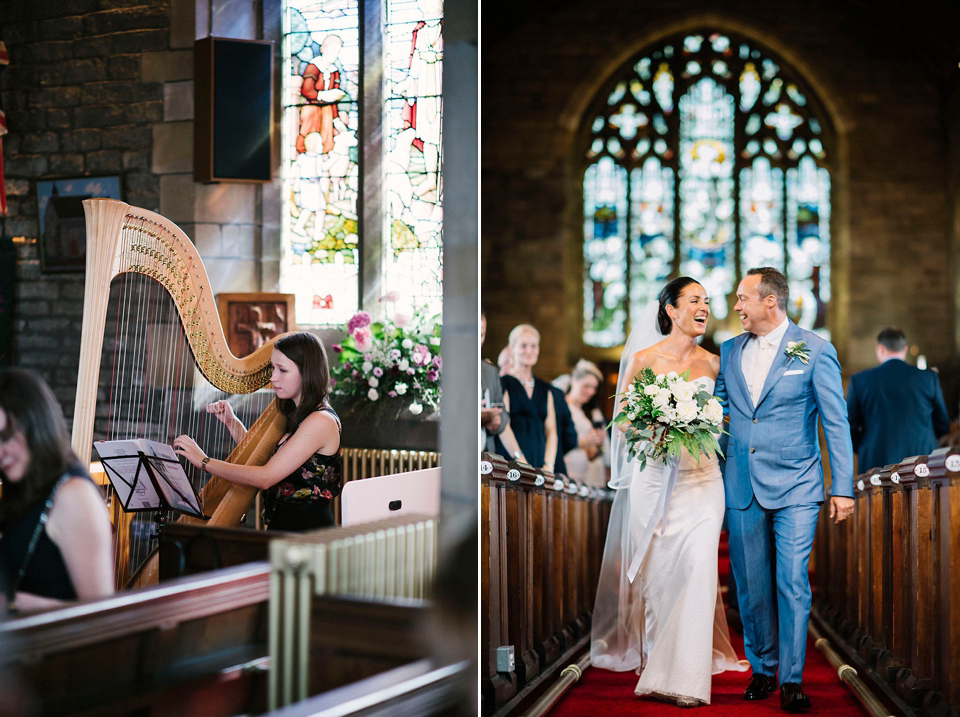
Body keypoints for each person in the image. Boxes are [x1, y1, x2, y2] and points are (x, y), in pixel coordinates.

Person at [591, 277, 747, 707]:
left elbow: (732, 416)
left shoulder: (715, 364)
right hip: (656, 479)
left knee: (698, 568)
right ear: (671, 310)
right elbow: (622, 419)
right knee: (659, 578)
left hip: (702, 481)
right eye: (694, 301)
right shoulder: (644, 359)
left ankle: (688, 681)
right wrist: (657, 427)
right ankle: (657, 662)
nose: (704, 308)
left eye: (707, 302)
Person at [716, 267, 854, 711]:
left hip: (797, 484)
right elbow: (717, 415)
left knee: (792, 580)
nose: (736, 306)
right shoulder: (729, 350)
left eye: (742, 298)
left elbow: (835, 422)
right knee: (750, 585)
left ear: (769, 301)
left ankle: (792, 677)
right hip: (741, 485)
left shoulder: (813, 350)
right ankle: (762, 668)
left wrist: (843, 487)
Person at [174, 332, 342, 532]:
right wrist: (232, 422)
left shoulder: (320, 420)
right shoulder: (299, 413)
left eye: (282, 370)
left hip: (307, 533)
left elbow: (265, 477)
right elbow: (270, 458)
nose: (273, 377)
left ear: (307, 372)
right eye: (273, 368)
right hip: (287, 526)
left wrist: (204, 462)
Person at [0, 368, 114, 616]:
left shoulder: (74, 495)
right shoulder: (23, 483)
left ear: (36, 425)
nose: (0, 452)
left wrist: (17, 605)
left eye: (6, 436)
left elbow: (102, 619)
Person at [847, 326, 950, 473]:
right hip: (922, 461)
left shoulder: (861, 380)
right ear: (905, 349)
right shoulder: (928, 378)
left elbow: (849, 425)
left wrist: (867, 446)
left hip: (876, 463)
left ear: (880, 349)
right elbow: (942, 424)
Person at [494, 325, 558, 473]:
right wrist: (521, 461)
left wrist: (548, 465)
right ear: (512, 349)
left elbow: (551, 430)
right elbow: (503, 426)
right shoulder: (503, 383)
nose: (529, 351)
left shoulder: (545, 388)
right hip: (511, 463)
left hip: (540, 464)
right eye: (523, 346)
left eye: (533, 346)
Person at [563, 359, 609, 489]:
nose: (591, 392)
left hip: (584, 472)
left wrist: (598, 444)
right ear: (573, 381)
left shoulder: (584, 413)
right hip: (568, 471)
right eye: (586, 386)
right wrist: (584, 442)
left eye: (594, 388)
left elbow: (590, 454)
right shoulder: (562, 406)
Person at [480, 312, 508, 453]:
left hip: (485, 454)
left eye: (481, 335)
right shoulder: (446, 368)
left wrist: (497, 420)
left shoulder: (490, 372)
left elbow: (504, 412)